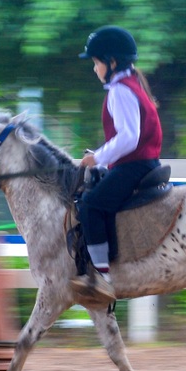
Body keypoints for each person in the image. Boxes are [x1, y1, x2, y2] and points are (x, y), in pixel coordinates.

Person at [69, 26, 163, 305]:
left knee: (90, 206)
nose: (94, 69)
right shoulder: (132, 83)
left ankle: (101, 278)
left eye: (96, 62)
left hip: (135, 165)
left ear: (111, 62)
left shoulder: (120, 91)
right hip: (140, 162)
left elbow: (129, 137)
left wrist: (97, 157)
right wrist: (101, 157)